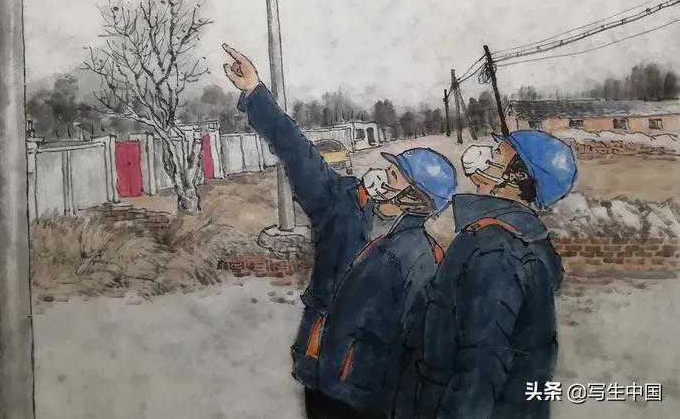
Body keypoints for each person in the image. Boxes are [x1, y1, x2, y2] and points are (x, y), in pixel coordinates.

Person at [221, 44, 457, 419]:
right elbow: (297, 152)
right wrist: (254, 92)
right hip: (318, 369)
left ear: (416, 199)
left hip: (372, 393)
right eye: (388, 169)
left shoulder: (423, 257)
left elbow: (425, 344)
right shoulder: (342, 203)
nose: (380, 176)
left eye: (394, 176)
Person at [393, 130, 577, 419]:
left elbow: (480, 369)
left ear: (516, 177)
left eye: (496, 153)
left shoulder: (495, 249)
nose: (484, 154)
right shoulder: (504, 239)